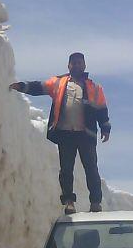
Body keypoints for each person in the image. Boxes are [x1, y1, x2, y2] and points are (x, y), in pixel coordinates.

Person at [10, 52, 111, 214]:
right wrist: (21, 86)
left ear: (84, 65)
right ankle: (69, 202)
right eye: (74, 63)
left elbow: (101, 109)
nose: (77, 65)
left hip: (86, 135)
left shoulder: (95, 88)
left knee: (91, 168)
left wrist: (105, 127)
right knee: (66, 169)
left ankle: (95, 202)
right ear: (69, 66)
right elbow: (40, 86)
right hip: (65, 134)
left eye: (80, 63)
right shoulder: (58, 83)